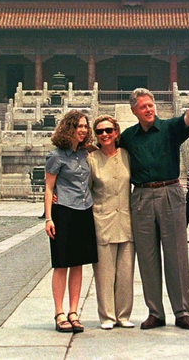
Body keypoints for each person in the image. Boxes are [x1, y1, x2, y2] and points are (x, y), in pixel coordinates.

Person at [119, 85, 189, 331]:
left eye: (150, 105)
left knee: (176, 254)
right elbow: (108, 149)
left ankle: (182, 311)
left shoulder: (169, 129)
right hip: (141, 195)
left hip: (170, 192)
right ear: (134, 111)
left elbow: (188, 118)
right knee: (147, 257)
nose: (148, 109)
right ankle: (155, 312)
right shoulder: (129, 137)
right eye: (143, 107)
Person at [44, 110, 98, 334]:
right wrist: (48, 218)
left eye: (85, 126)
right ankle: (59, 312)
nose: (83, 130)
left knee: (78, 263)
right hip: (63, 211)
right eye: (79, 126)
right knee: (61, 263)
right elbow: (48, 188)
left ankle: (74, 312)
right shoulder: (56, 156)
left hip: (84, 210)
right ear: (69, 128)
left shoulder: (86, 153)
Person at [87, 115, 135, 330]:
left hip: (126, 219)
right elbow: (84, 191)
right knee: (104, 274)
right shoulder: (91, 159)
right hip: (102, 220)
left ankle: (123, 315)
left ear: (116, 132)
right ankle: (107, 316)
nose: (104, 134)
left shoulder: (127, 156)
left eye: (108, 130)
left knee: (125, 272)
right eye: (99, 131)